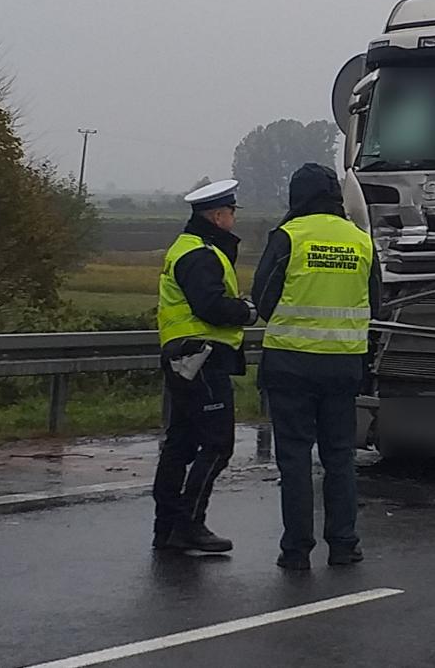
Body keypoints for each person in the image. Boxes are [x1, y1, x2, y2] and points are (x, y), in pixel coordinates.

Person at [252, 164, 380, 570]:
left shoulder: (288, 237)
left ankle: (296, 550)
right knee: (339, 457)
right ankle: (343, 545)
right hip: (343, 365)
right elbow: (375, 304)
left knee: (294, 459)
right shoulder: (361, 241)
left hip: (290, 363)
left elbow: (263, 298)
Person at [152, 179, 257, 554]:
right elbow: (210, 306)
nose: (233, 219)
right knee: (217, 444)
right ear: (217, 216)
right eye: (230, 212)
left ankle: (166, 527)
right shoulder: (201, 254)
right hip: (202, 359)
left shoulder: (188, 247)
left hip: (185, 359)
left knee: (180, 443)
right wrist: (245, 311)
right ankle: (190, 523)